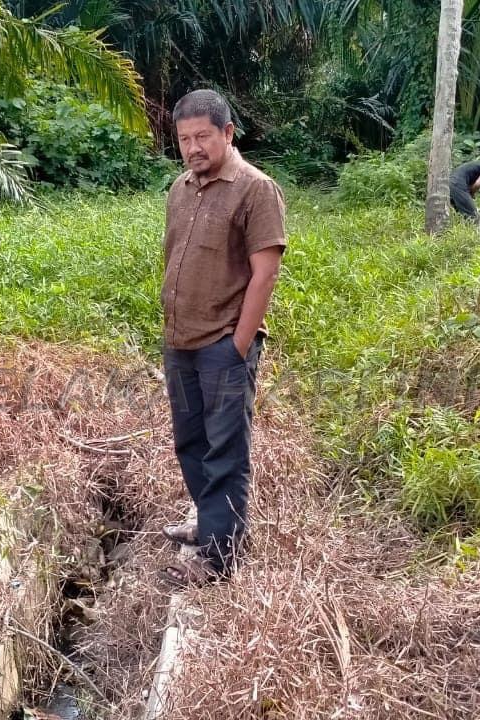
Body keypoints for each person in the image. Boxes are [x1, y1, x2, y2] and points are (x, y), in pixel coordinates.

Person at [157, 89, 286, 588]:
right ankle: (210, 525)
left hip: (222, 346)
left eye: (203, 137)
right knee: (191, 441)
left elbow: (265, 275)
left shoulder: (256, 190)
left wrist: (237, 344)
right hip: (180, 341)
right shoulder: (180, 188)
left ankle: (218, 558)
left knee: (226, 448)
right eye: (185, 139)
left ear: (228, 134)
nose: (193, 147)